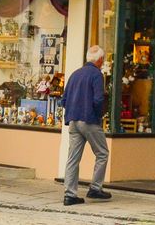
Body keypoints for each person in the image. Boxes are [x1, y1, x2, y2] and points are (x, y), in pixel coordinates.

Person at [63, 44, 111, 205]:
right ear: (99, 60)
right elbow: (98, 99)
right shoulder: (97, 75)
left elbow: (64, 99)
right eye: (102, 59)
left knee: (72, 159)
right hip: (89, 119)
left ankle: (69, 194)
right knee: (102, 153)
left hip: (73, 120)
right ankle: (95, 188)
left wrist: (71, 112)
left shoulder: (75, 74)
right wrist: (97, 116)